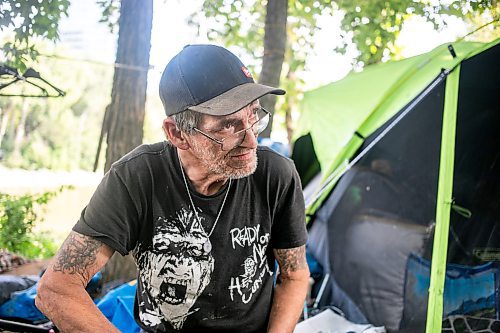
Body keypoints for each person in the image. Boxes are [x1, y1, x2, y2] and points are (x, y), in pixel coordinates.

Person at [36, 44, 309, 333]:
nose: (252, 141)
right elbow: (56, 289)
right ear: (177, 133)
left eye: (253, 116)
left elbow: (293, 275)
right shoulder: (137, 177)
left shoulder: (275, 174)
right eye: (228, 126)